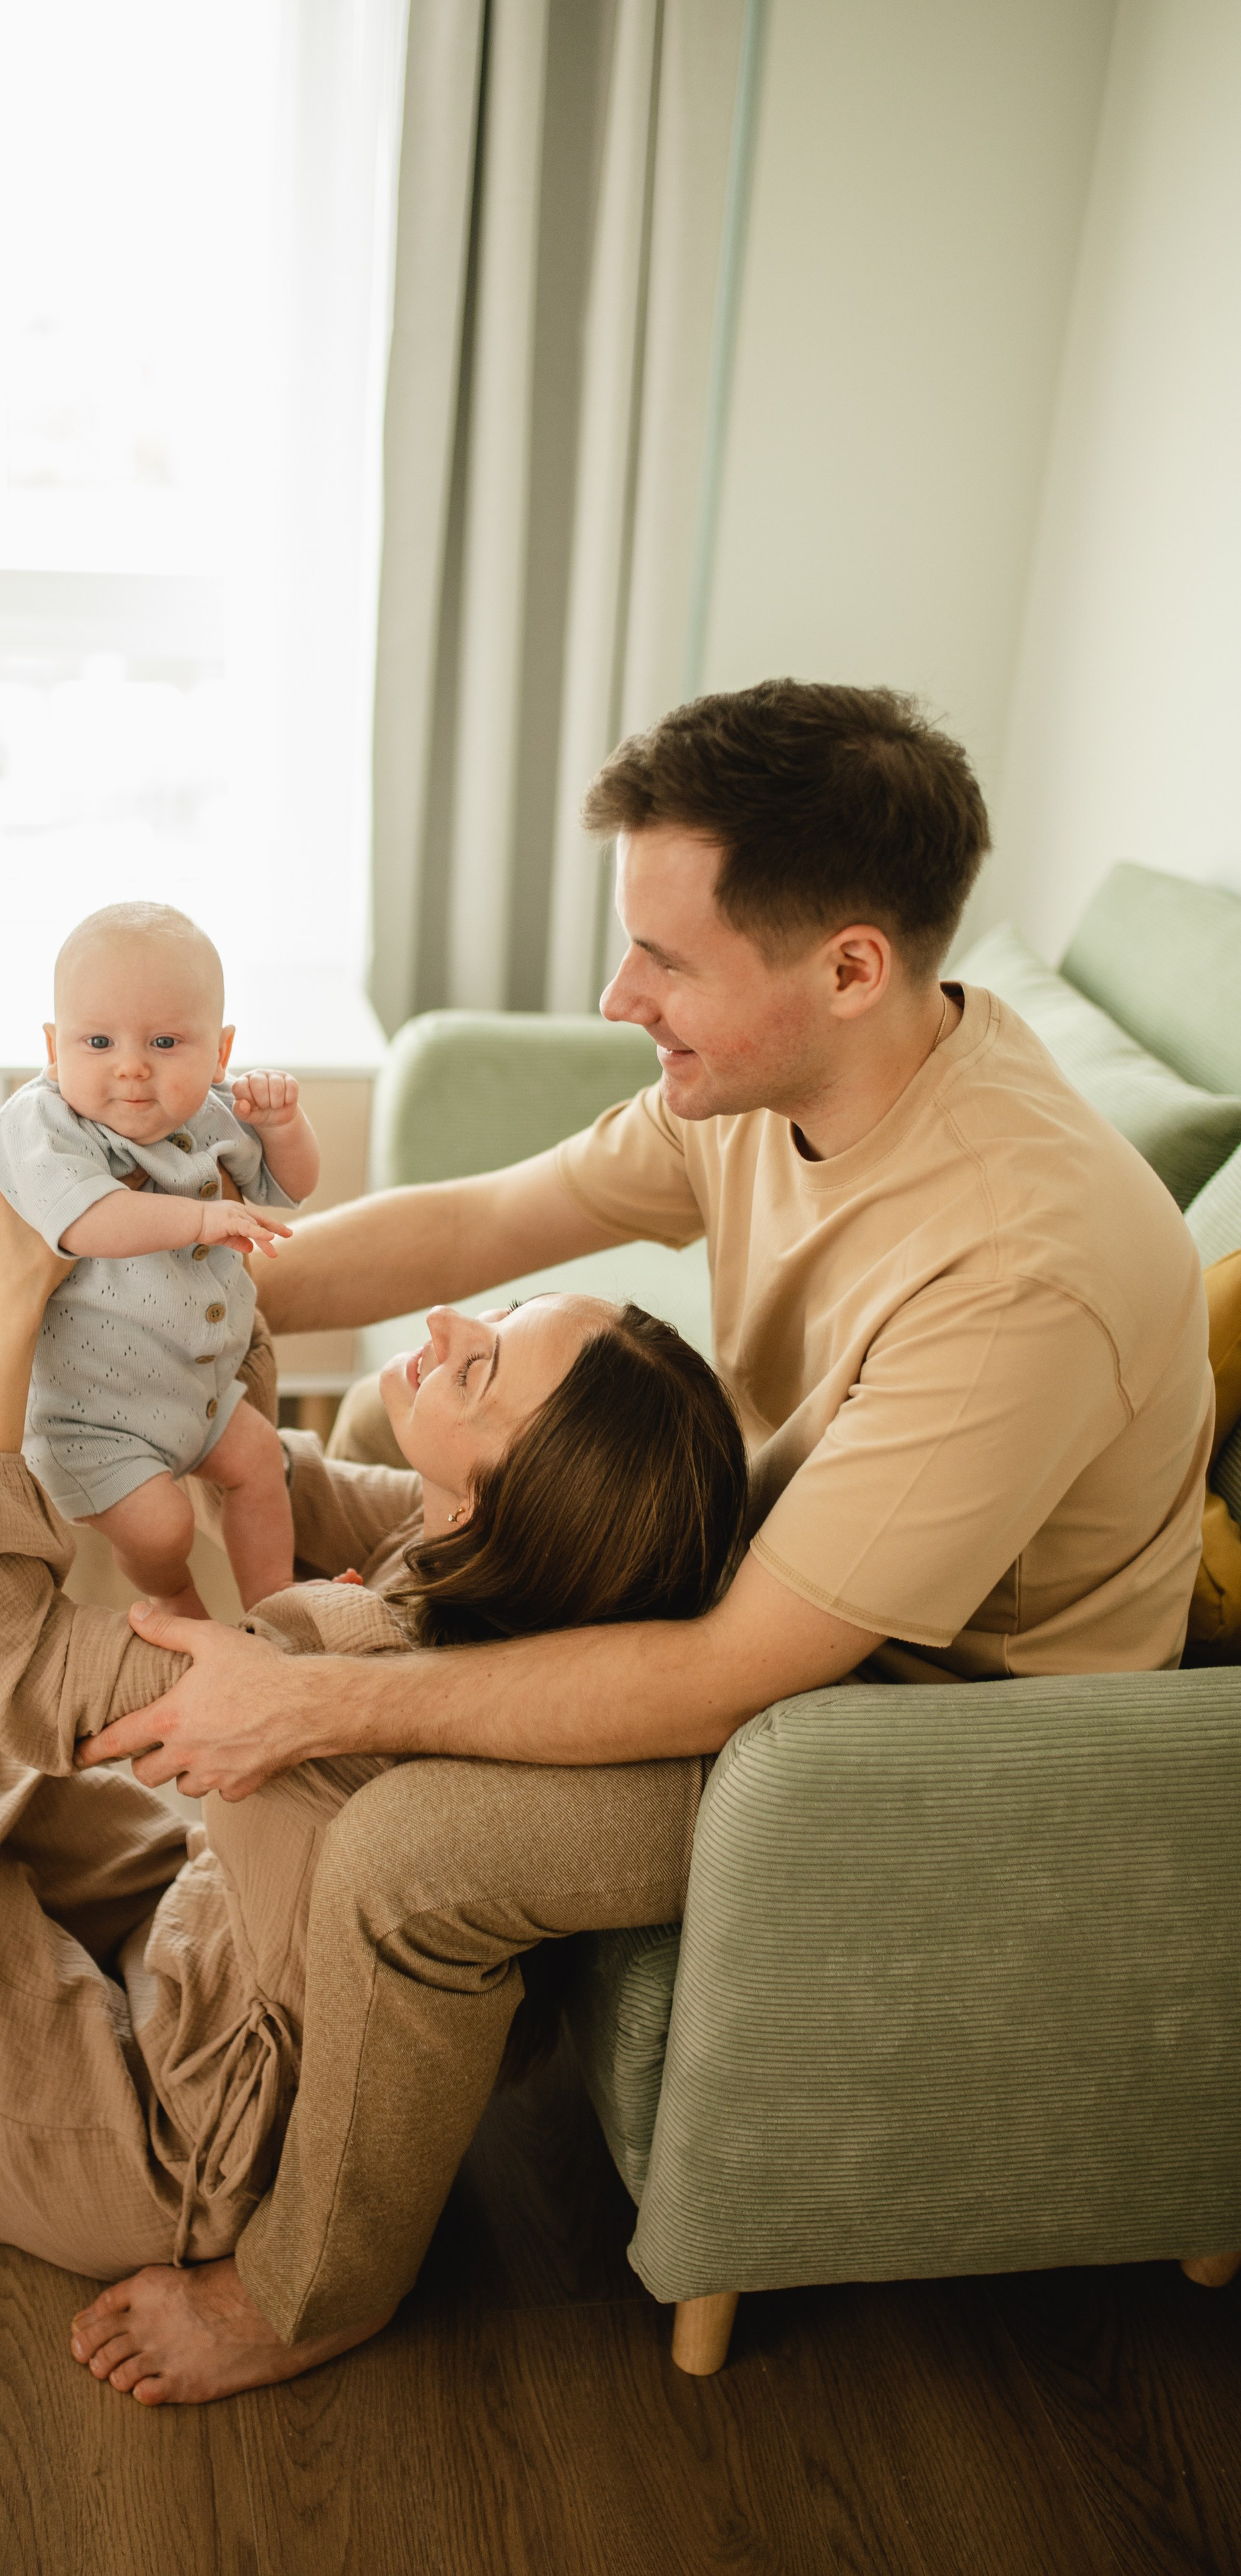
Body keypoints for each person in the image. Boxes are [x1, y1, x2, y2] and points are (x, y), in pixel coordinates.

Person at [77, 677, 1216, 2399]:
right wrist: (155, 1284)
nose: (620, 999)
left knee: (412, 1855)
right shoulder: (795, 1078)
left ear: (844, 963)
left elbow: (741, 1673)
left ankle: (312, 2289)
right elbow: (482, 1215)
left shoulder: (1016, 1264)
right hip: (806, 1579)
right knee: (399, 1425)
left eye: (662, 960)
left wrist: (316, 1707)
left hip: (930, 1736)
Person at [0, 1180, 746, 2406]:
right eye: (499, 1313)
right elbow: (273, 1466)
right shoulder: (490, 1585)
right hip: (198, 1939)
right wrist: (185, 1278)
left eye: (477, 1371)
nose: (442, 1325)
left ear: (492, 1499)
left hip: (161, 2134)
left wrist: (14, 1317)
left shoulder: (339, 1663)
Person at [0, 900, 317, 1615]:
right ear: (53, 1044)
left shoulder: (214, 1111)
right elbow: (91, 1221)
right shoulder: (43, 1123)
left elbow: (291, 1185)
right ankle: (180, 1610)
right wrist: (201, 1216)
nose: (131, 1068)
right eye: (98, 1041)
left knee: (264, 1463)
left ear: (220, 1051)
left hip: (196, 1390)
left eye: (165, 1042)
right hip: (94, 1416)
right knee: (163, 1529)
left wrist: (283, 1123)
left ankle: (279, 1611)